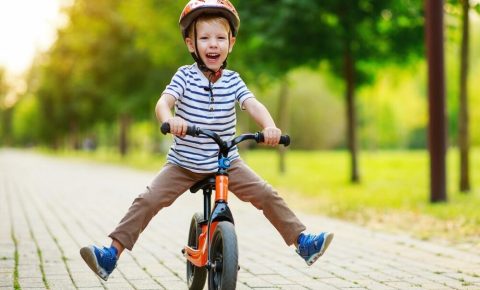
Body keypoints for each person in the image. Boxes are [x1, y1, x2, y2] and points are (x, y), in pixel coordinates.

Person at [80, 0, 333, 281]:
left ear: (231, 43)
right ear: (191, 44)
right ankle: (110, 255)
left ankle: (302, 243)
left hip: (226, 162)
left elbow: (252, 104)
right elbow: (164, 102)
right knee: (148, 199)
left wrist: (270, 126)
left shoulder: (234, 80)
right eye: (205, 38)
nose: (213, 45)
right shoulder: (184, 76)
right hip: (184, 163)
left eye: (220, 38)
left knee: (265, 193)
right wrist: (169, 119)